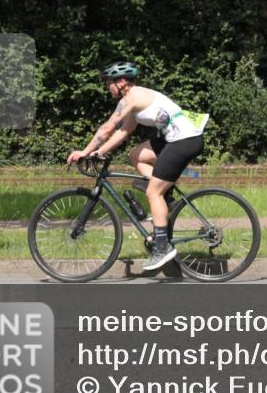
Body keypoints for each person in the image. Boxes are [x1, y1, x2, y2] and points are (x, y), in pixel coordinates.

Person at [66, 61, 205, 271]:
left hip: (185, 140)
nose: (107, 87)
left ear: (121, 82)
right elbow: (123, 132)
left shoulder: (132, 98)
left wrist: (85, 152)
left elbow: (107, 129)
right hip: (176, 138)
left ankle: (162, 248)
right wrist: (98, 152)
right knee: (136, 156)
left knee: (153, 192)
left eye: (109, 82)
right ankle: (165, 195)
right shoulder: (133, 101)